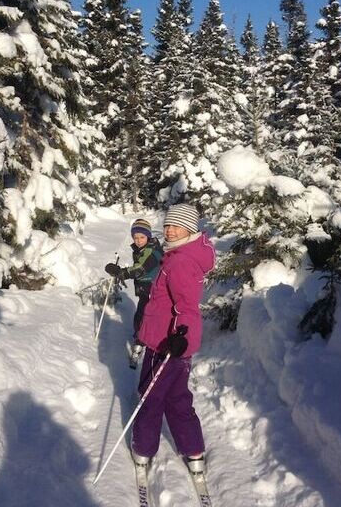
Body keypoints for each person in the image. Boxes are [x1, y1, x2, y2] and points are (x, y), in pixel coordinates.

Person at [129, 203, 215, 477]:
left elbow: (186, 306)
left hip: (166, 344)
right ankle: (194, 450)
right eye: (167, 225)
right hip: (174, 344)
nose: (169, 230)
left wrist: (181, 336)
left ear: (190, 229)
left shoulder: (180, 261)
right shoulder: (181, 253)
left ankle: (143, 449)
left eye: (176, 226)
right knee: (177, 398)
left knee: (150, 396)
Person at [104, 218, 163, 368]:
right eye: (135, 237)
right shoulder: (143, 249)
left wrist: (121, 272)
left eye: (141, 237)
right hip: (145, 289)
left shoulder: (153, 251)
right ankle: (142, 338)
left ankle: (141, 343)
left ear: (148, 236)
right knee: (141, 315)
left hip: (153, 290)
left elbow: (140, 269)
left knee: (144, 316)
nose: (138, 240)